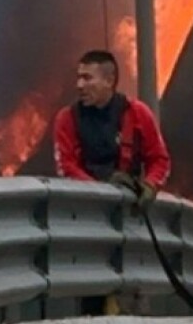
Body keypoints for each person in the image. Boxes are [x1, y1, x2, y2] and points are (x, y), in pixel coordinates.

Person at [53, 49, 171, 207]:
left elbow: (159, 159)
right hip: (83, 210)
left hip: (128, 210)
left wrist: (150, 185)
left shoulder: (137, 113)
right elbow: (66, 166)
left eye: (87, 78)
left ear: (109, 81)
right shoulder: (67, 118)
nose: (79, 85)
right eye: (79, 78)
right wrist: (100, 191)